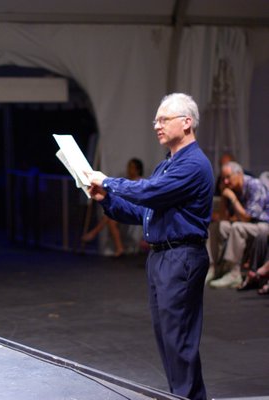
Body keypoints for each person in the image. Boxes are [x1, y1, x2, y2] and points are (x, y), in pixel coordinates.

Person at [86, 93, 213, 400]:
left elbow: (150, 192)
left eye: (163, 119)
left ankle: (186, 397)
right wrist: (109, 200)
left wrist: (109, 182)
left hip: (180, 256)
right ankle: (185, 396)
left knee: (178, 339)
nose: (156, 125)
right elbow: (144, 213)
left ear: (186, 122)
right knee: (169, 339)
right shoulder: (166, 165)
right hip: (162, 257)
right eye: (155, 120)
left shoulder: (193, 164)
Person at [207, 161, 269, 288]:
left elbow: (247, 218)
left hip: (263, 225)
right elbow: (223, 218)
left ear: (239, 174)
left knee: (237, 227)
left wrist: (232, 198)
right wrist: (224, 197)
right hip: (248, 225)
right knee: (218, 226)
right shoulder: (232, 188)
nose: (225, 182)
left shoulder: (254, 185)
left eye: (228, 177)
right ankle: (215, 269)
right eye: (223, 178)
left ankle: (234, 273)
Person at [81, 158, 144, 257]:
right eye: (128, 167)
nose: (129, 169)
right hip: (123, 206)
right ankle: (118, 247)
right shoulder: (125, 180)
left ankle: (95, 233)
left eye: (131, 167)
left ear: (137, 169)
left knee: (109, 218)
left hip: (135, 209)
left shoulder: (140, 182)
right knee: (110, 217)